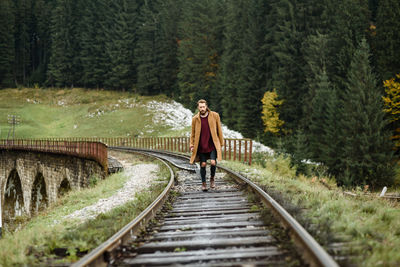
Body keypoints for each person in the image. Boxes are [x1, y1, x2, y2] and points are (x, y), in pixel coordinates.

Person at [190, 99, 224, 191]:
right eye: (200, 107)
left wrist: (221, 143)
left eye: (203, 107)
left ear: (206, 106)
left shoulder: (215, 115)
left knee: (213, 162)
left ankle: (212, 179)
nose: (202, 108)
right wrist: (192, 145)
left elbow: (219, 130)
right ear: (198, 108)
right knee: (203, 164)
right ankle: (204, 183)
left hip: (212, 144)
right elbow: (192, 133)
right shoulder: (195, 119)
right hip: (201, 145)